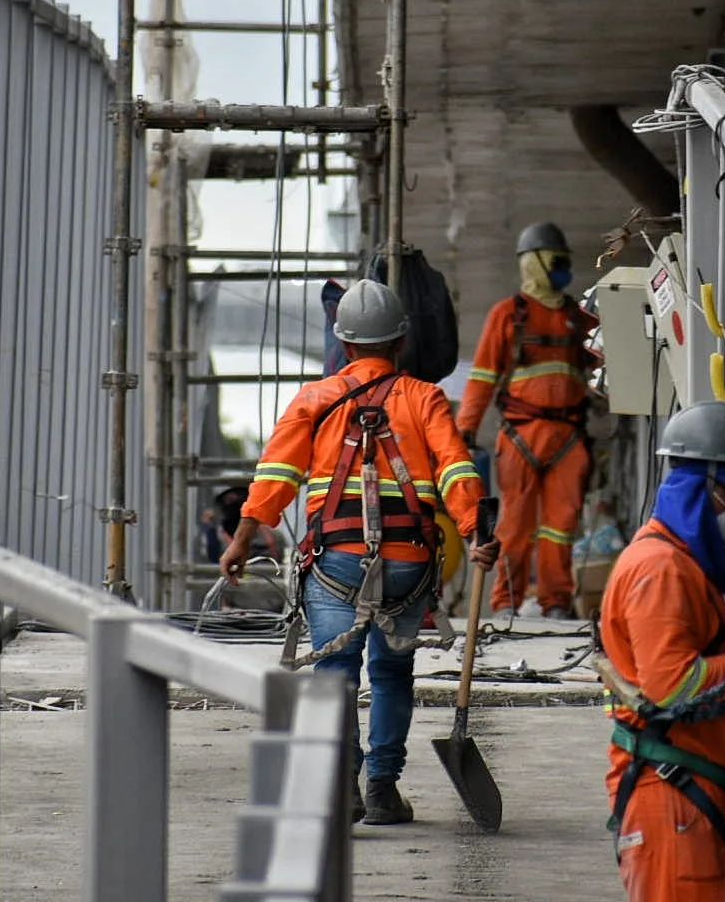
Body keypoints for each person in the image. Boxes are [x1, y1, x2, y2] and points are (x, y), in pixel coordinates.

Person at [220, 279, 497, 825]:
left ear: (343, 345)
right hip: (410, 561)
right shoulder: (425, 398)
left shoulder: (314, 399)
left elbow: (276, 473)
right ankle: (382, 792)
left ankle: (340, 784)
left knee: (335, 674)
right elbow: (456, 468)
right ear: (401, 341)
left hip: (335, 558)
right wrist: (473, 532)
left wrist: (242, 537)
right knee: (392, 674)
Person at [599, 401, 725, 902]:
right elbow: (672, 685)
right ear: (697, 492)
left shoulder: (681, 562)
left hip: (690, 794)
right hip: (674, 803)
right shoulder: (663, 571)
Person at [457, 221, 597, 620]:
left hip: (569, 437)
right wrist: (464, 431)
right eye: (556, 260)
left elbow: (607, 362)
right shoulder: (508, 315)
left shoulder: (578, 317)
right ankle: (506, 603)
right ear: (535, 264)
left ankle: (556, 601)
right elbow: (483, 376)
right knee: (515, 526)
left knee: (561, 525)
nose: (563, 268)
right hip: (522, 436)